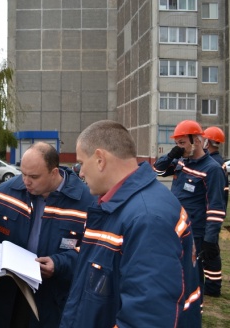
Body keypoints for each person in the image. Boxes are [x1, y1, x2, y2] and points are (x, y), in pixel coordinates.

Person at [60, 120, 202, 328]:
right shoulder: (119, 205)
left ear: (100, 159)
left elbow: (147, 319)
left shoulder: (147, 218)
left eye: (81, 163)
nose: (80, 173)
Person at [0, 142, 96, 327]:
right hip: (7, 303)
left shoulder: (86, 202)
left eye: (33, 176)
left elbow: (91, 251)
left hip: (52, 303)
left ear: (54, 173)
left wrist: (59, 263)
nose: (26, 181)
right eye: (23, 173)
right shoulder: (9, 189)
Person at [153, 120, 226, 307]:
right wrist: (171, 155)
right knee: (175, 269)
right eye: (177, 144)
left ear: (198, 141)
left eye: (183, 143)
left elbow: (216, 207)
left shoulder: (212, 169)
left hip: (196, 231)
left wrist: (210, 238)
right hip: (176, 226)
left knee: (192, 273)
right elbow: (158, 171)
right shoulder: (181, 161)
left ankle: (194, 308)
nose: (180, 147)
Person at [202, 126, 228, 297]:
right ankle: (212, 286)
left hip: (210, 213)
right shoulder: (220, 162)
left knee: (210, 251)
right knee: (210, 251)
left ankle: (212, 288)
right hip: (214, 213)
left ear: (208, 141)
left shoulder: (213, 165)